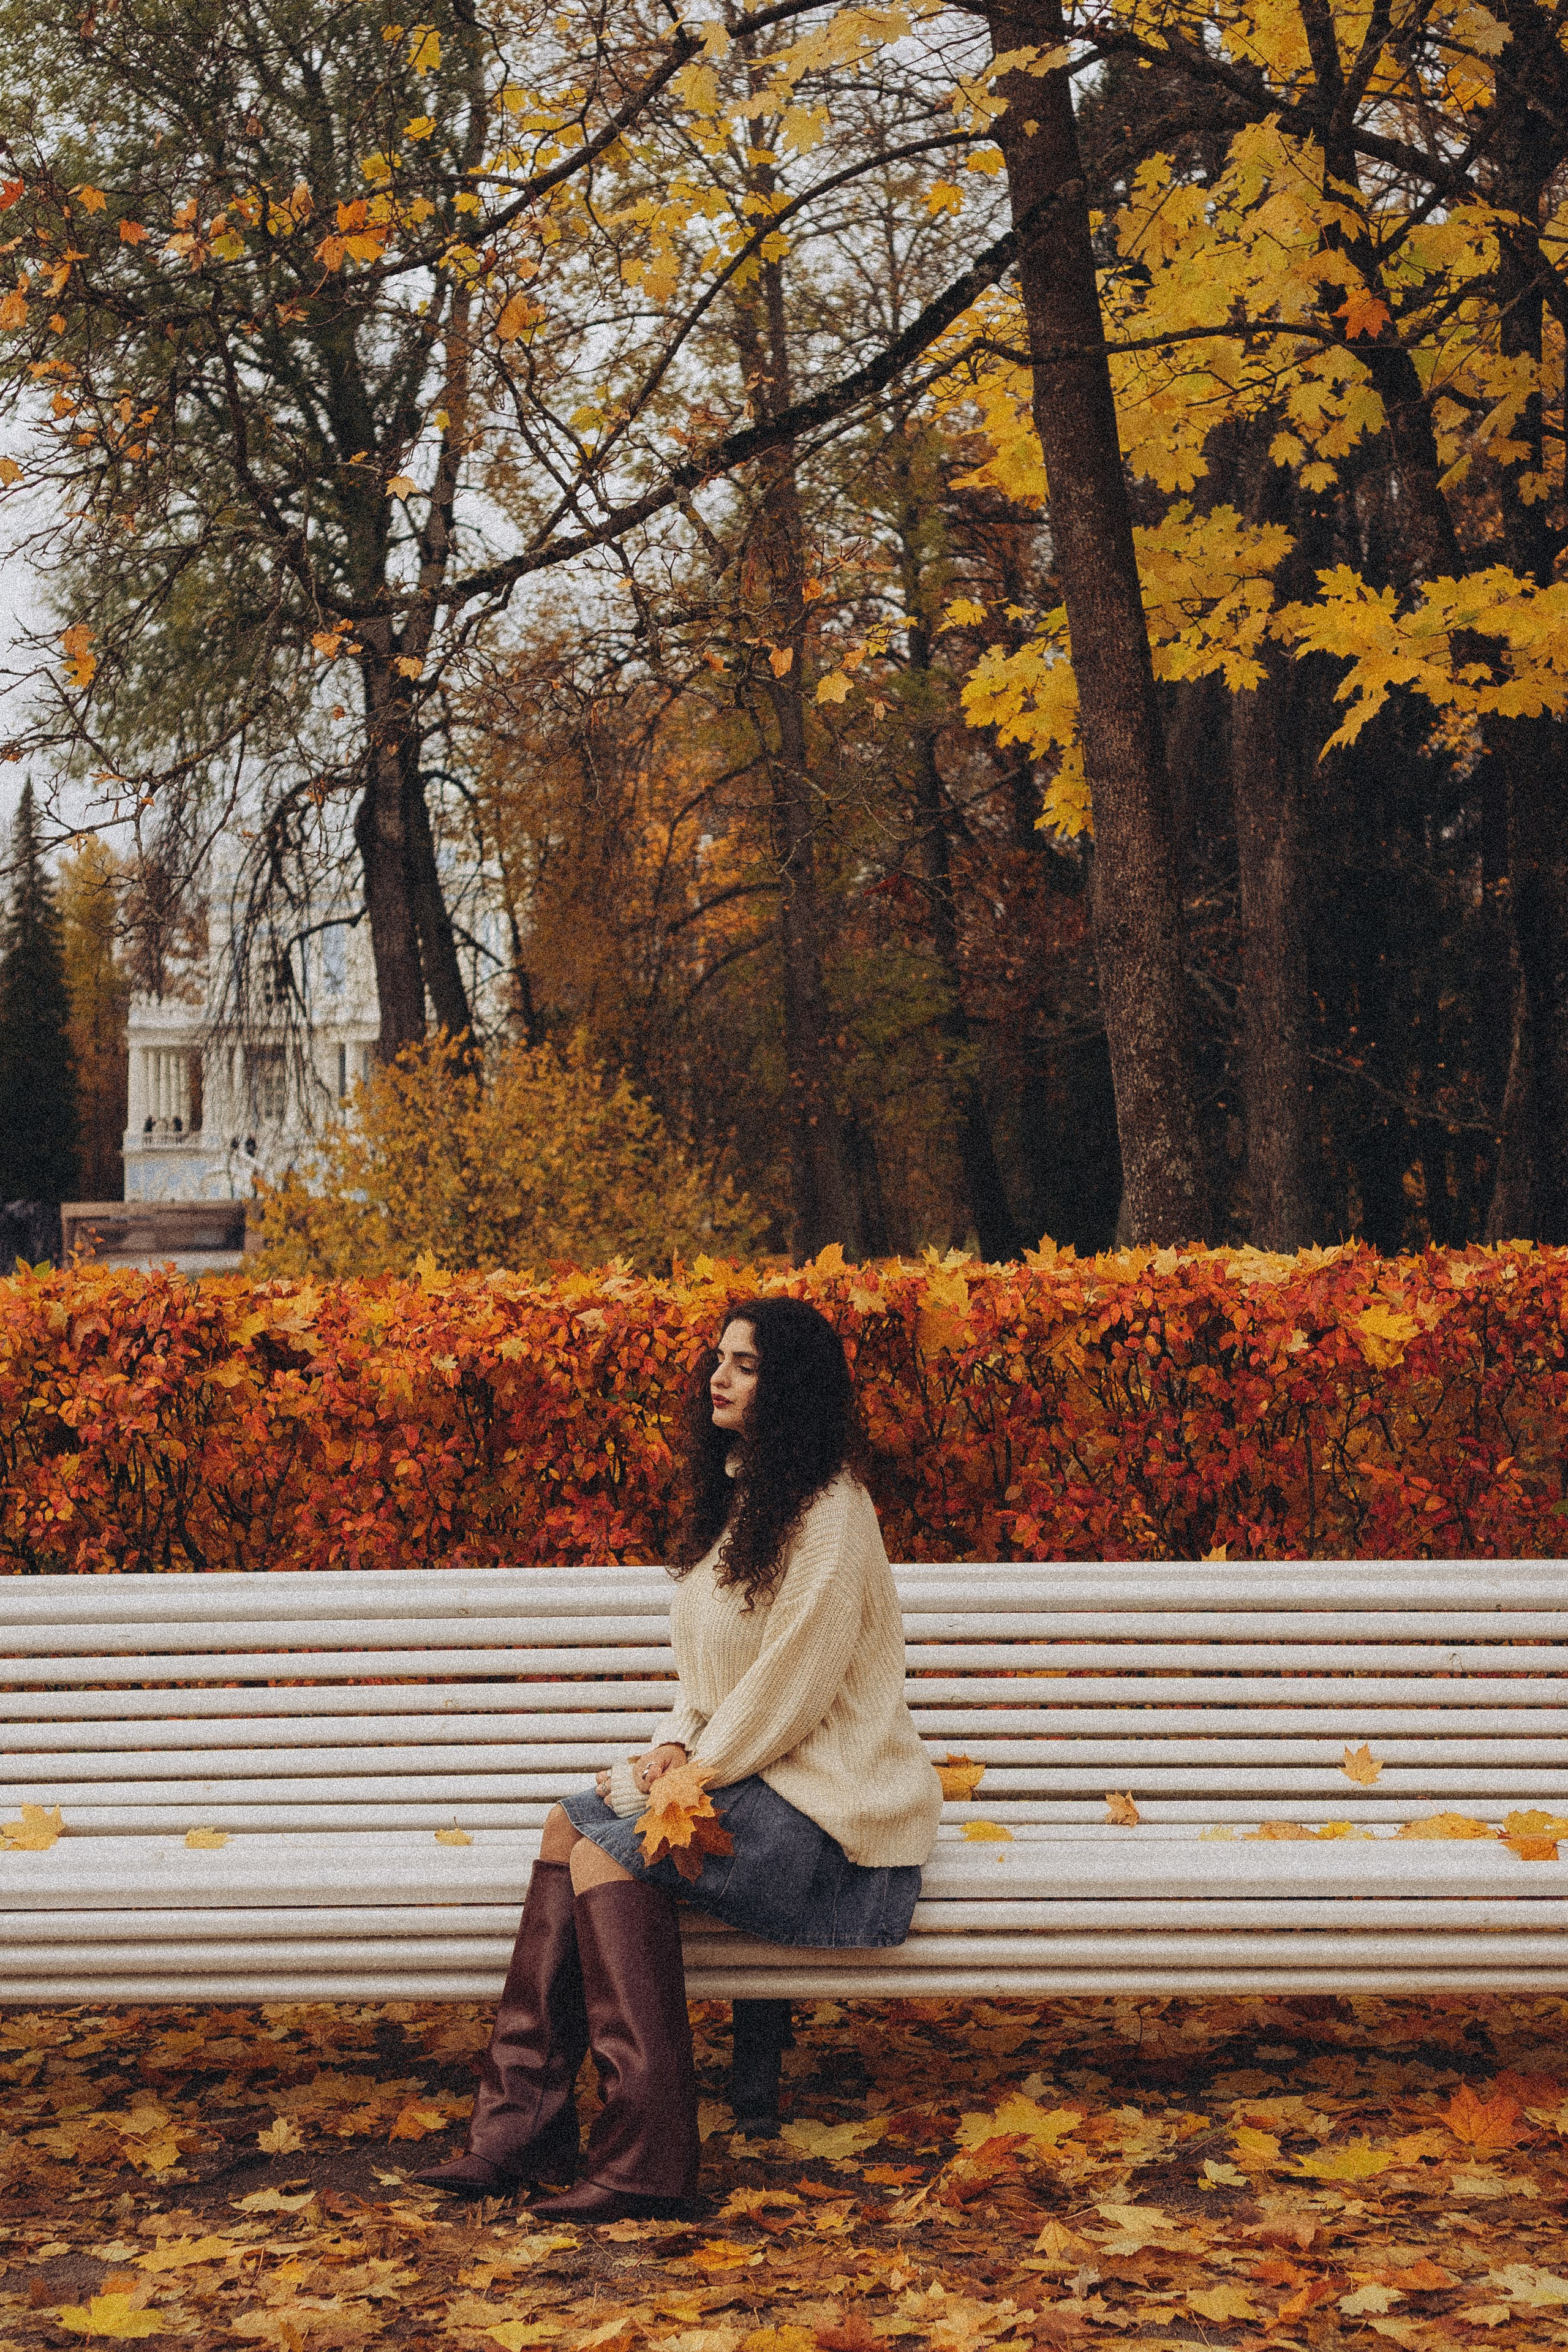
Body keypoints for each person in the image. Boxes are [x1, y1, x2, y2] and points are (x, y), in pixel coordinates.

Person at [415, 1295, 943, 2219]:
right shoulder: (748, 1505)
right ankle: (520, 2130)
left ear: (794, 1389)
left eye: (745, 1365)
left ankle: (646, 2158)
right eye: (720, 1359)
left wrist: (675, 1776)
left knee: (603, 1849)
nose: (719, 1377)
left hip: (829, 1823)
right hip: (751, 1786)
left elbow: (789, 1690)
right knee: (565, 1823)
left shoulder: (833, 1515)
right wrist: (667, 1744)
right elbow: (707, 1680)